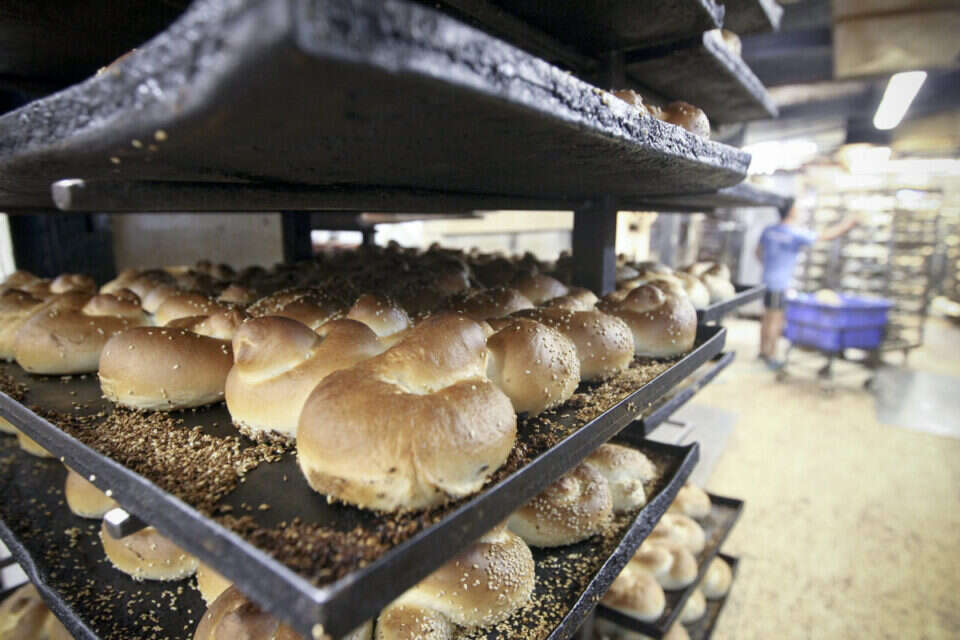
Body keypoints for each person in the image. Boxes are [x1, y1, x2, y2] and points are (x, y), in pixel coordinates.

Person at [755, 199, 858, 368]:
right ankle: (771, 356)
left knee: (766, 317)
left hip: (766, 280)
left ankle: (762, 352)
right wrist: (847, 225)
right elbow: (824, 236)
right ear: (791, 211)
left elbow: (758, 253)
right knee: (776, 320)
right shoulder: (794, 234)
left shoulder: (769, 230)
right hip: (781, 283)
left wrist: (770, 267)